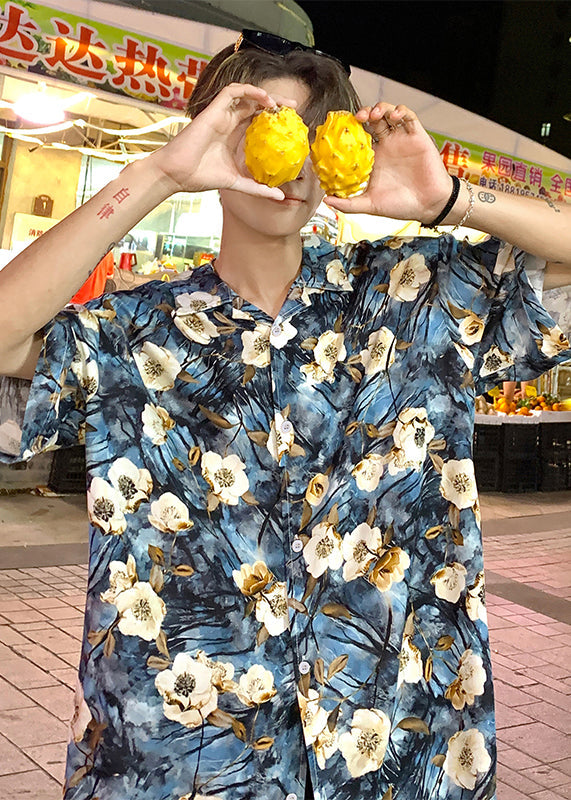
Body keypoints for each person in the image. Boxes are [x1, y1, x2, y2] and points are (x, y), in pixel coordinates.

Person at [0, 28, 570, 800]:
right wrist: (159, 174)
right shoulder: (133, 333)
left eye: (311, 134)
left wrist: (450, 201)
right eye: (260, 127)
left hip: (399, 755)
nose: (290, 157)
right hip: (181, 763)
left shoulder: (415, 295)